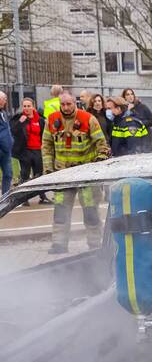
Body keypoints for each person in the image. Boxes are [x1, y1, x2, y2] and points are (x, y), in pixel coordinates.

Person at [42, 92, 110, 253]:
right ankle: (59, 244)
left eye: (69, 104)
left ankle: (95, 245)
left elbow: (101, 143)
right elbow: (46, 146)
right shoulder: (51, 120)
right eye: (63, 104)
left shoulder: (88, 119)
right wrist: (48, 169)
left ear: (75, 103)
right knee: (60, 211)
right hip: (62, 174)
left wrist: (98, 164)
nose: (65, 107)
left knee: (90, 211)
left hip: (84, 174)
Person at [10, 97, 44, 185]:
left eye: (29, 106)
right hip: (25, 150)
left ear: (33, 107)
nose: (26, 108)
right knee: (25, 175)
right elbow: (13, 131)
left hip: (37, 150)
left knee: (39, 174)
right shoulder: (18, 118)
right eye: (24, 106)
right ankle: (23, 197)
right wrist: (20, 122)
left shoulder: (40, 119)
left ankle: (42, 196)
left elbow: (44, 134)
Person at [0, 92, 13, 194]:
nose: (5, 101)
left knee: (8, 174)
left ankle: (5, 198)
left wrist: (11, 140)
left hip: (6, 150)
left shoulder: (4, 113)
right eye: (4, 98)